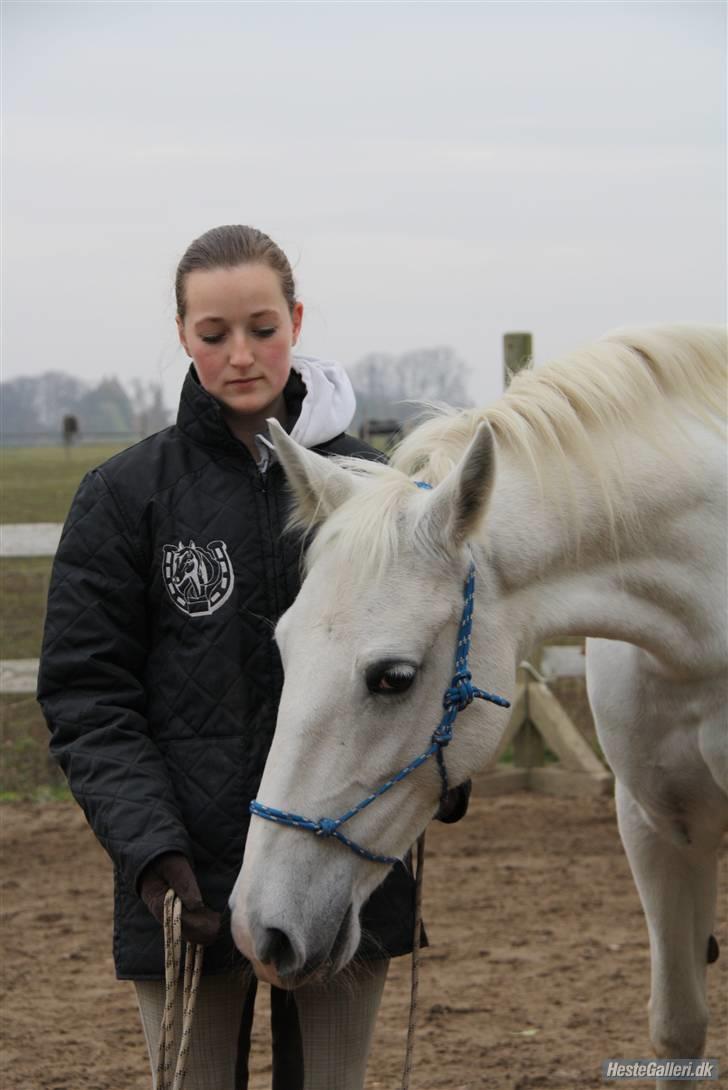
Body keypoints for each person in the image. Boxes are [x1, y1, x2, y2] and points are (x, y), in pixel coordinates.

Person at [37, 224, 469, 1090]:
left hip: (346, 874)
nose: (242, 354)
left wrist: (442, 771)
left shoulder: (379, 492)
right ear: (183, 335)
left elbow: (432, 662)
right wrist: (155, 857)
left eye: (263, 328)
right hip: (185, 886)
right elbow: (89, 695)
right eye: (214, 333)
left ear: (297, 320)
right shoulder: (127, 496)